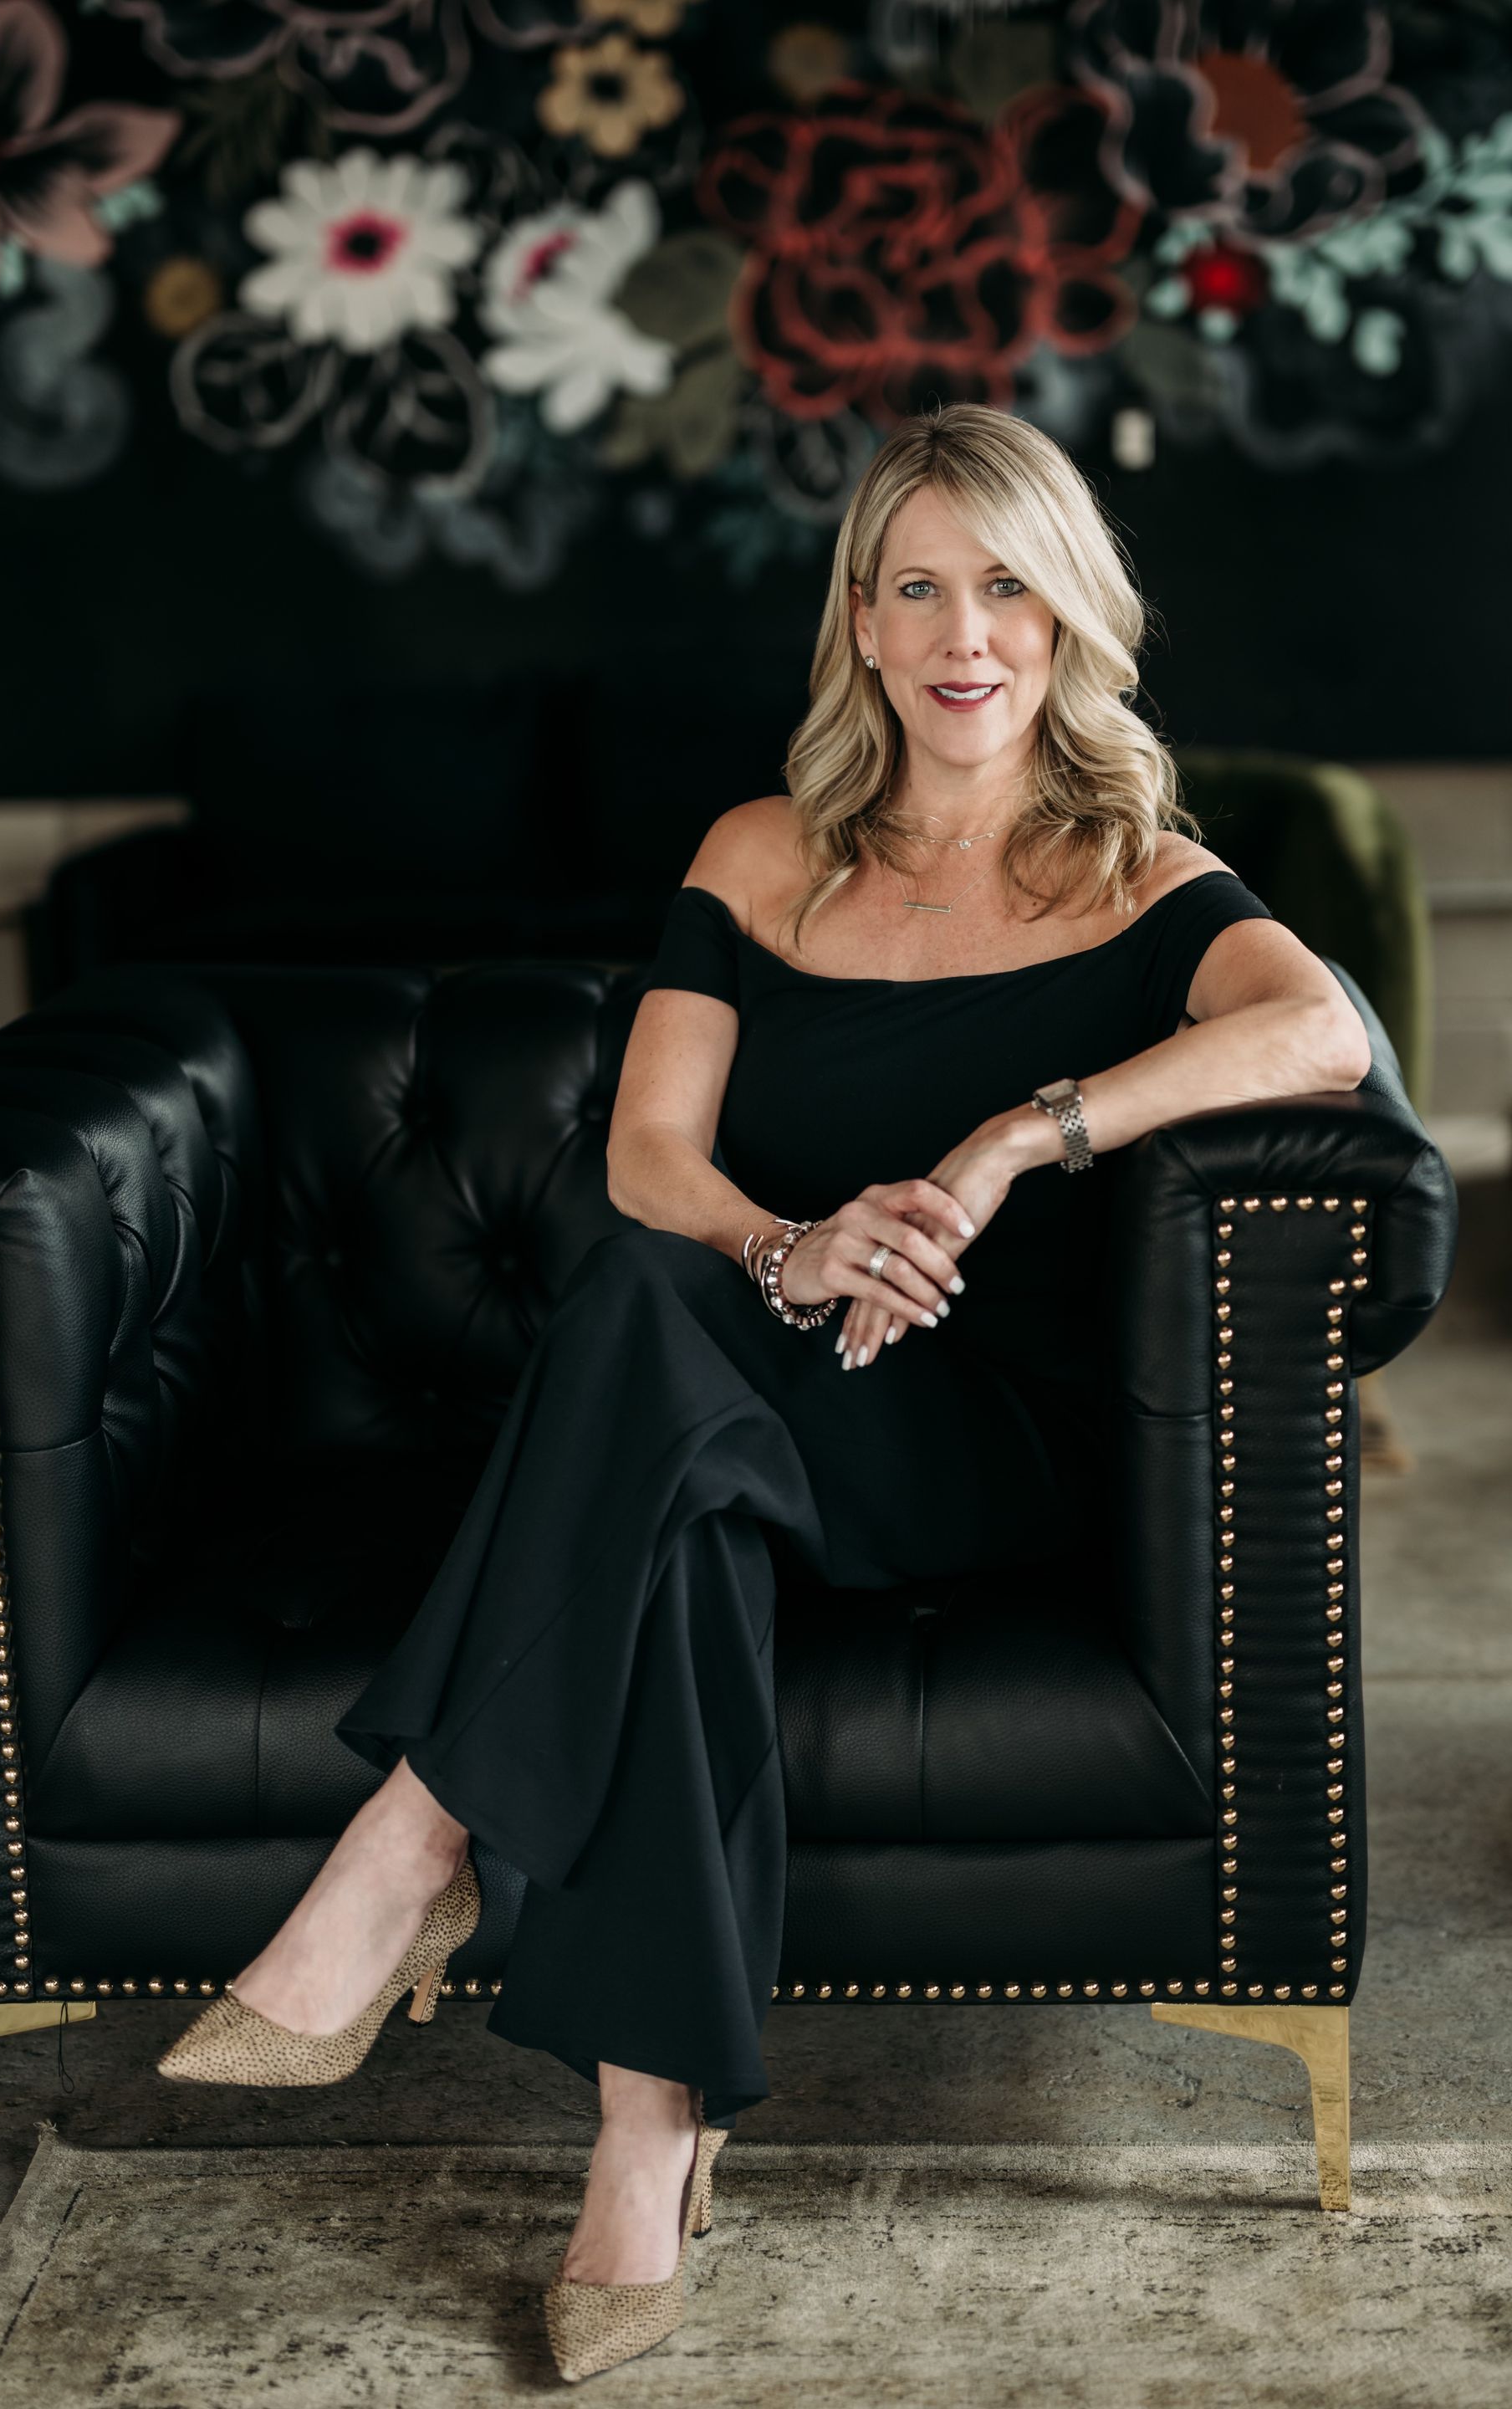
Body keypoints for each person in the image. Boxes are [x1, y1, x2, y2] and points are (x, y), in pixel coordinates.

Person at [155, 400, 1372, 2383]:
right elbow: (650, 1159)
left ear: (1066, 618)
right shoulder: (759, 854)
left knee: (652, 1359)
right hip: (756, 1382)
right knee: (675, 1443)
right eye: (918, 589)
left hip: (976, 1442)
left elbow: (1323, 1034)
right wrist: (784, 1250)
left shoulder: (1140, 874)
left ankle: (416, 1834)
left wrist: (1006, 1145)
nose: (964, 633)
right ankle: (649, 2147)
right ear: (865, 627)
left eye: (1006, 587)